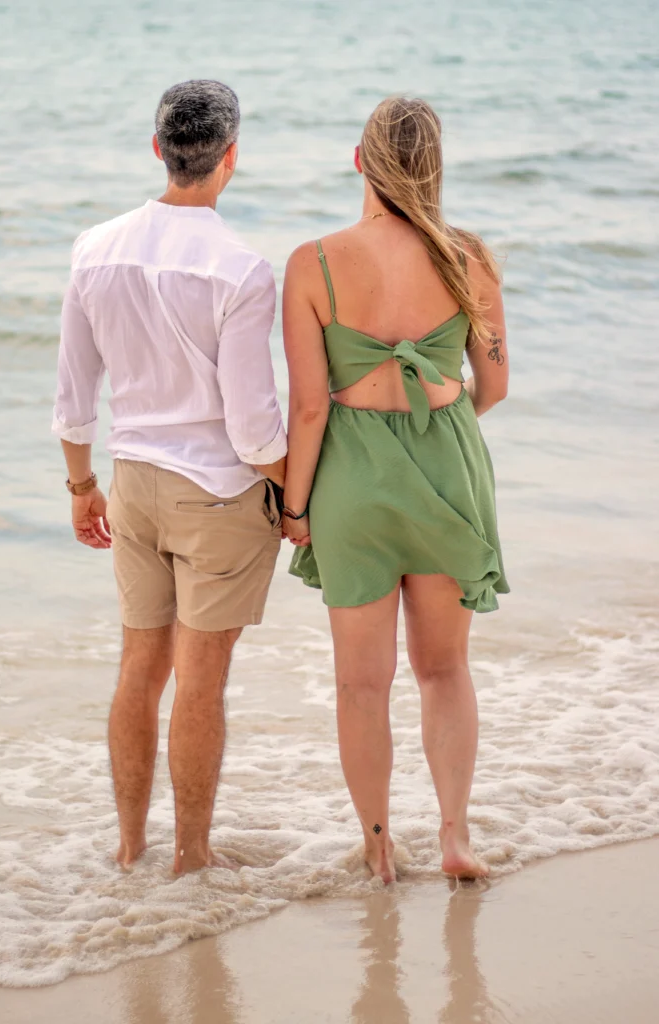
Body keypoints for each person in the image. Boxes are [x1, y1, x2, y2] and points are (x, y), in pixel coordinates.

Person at [52, 80, 287, 874]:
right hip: (217, 496)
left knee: (138, 670)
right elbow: (253, 429)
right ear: (231, 157)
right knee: (200, 683)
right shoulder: (242, 270)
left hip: (134, 486)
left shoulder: (95, 247)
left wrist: (81, 486)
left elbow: (73, 391)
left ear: (158, 148)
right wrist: (299, 489)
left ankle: (128, 849)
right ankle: (190, 857)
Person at [282, 96, 509, 883]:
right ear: (436, 164)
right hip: (448, 469)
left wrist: (295, 506)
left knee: (360, 683)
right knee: (444, 669)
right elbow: (495, 385)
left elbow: (309, 409)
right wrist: (439, 429)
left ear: (359, 161)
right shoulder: (470, 257)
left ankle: (379, 849)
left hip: (351, 478)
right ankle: (455, 839)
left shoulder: (312, 262)